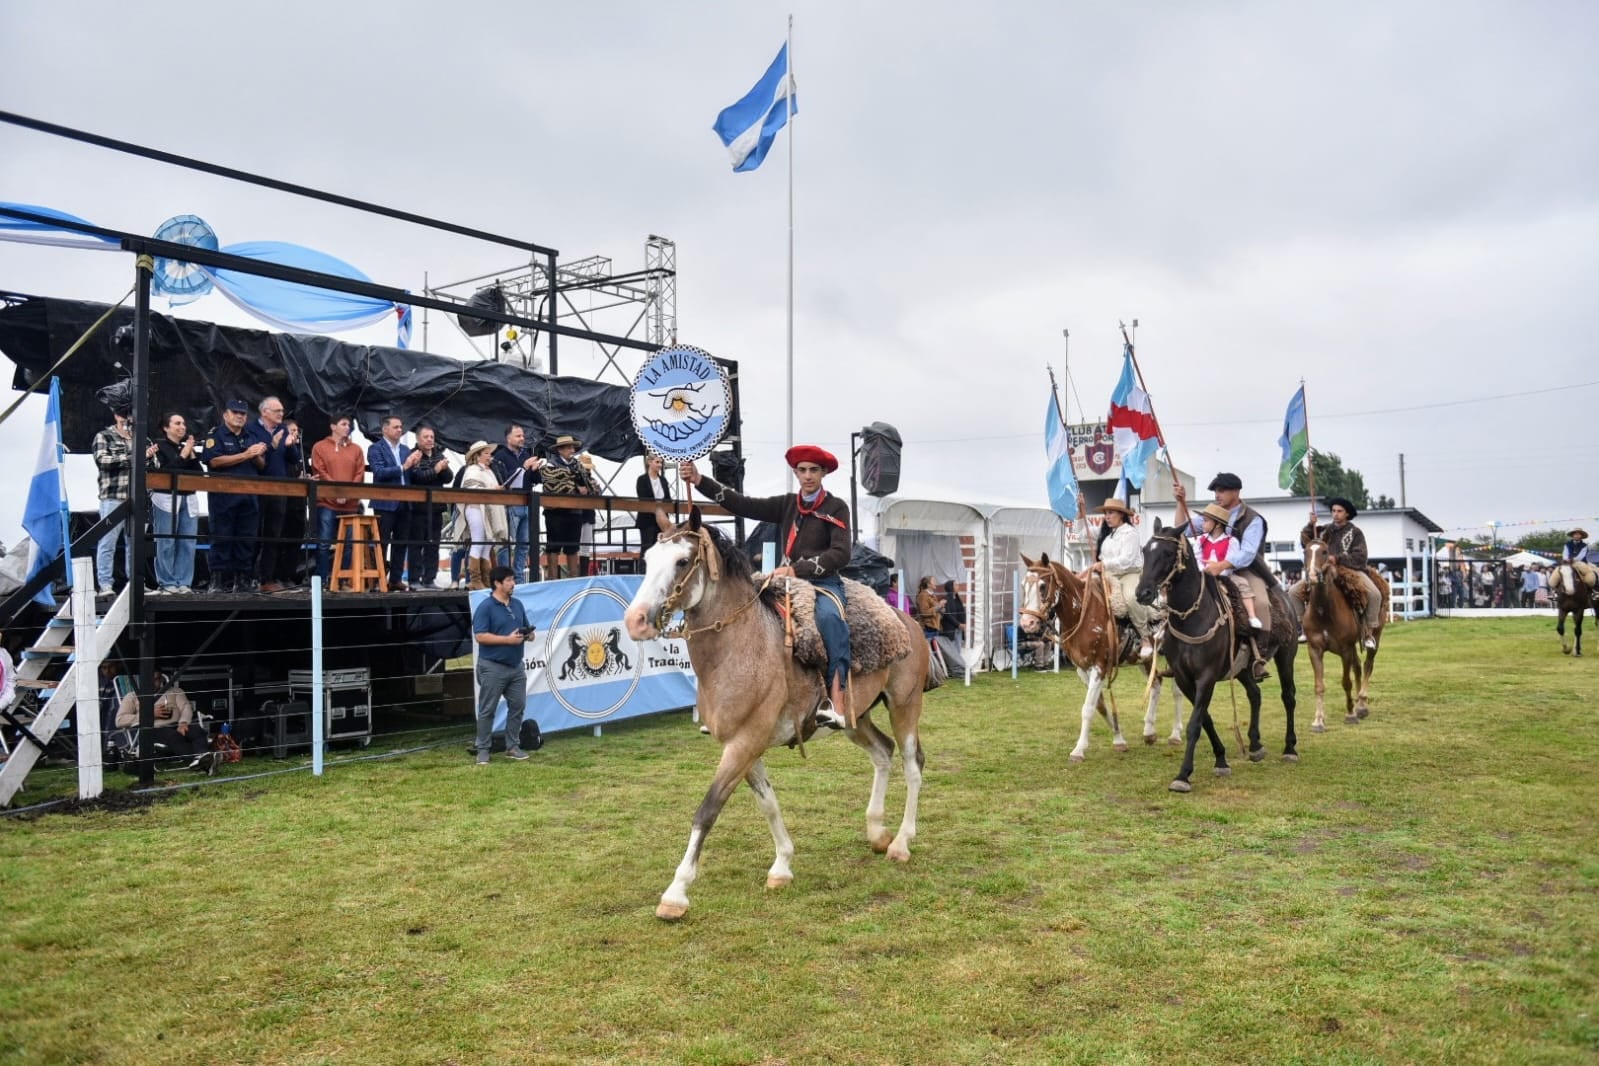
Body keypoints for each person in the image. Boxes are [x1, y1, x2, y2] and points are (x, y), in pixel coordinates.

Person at [680, 444, 855, 728]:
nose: (808, 475)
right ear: (796, 473)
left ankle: (837, 701)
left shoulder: (837, 507)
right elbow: (742, 504)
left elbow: (841, 553)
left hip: (823, 582)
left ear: (823, 473)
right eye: (802, 470)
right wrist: (700, 481)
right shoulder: (786, 504)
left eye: (813, 470)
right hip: (784, 582)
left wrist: (798, 568)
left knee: (830, 620)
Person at [1173, 473, 1280, 633]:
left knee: (1261, 604)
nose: (1217, 495)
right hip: (1209, 568)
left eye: (1222, 490)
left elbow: (1248, 553)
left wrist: (1221, 565)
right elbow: (1182, 529)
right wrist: (1180, 503)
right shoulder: (1213, 515)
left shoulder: (1254, 519)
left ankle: (1260, 649)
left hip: (1246, 571)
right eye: (1215, 491)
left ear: (1236, 492)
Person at [1289, 496, 1381, 649]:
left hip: (1350, 570)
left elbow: (1360, 556)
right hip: (1323, 571)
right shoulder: (1324, 530)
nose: (1335, 514)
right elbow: (1307, 541)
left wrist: (1337, 558)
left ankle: (1369, 633)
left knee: (1375, 594)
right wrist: (1310, 525)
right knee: (1293, 592)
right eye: (1333, 511)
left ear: (1347, 514)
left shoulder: (1355, 533)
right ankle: (1303, 628)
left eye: (1339, 511)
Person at [198, 399, 267, 593]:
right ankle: (218, 580)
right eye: (235, 412)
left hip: (249, 495)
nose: (239, 416)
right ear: (225, 414)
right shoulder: (216, 435)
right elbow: (214, 461)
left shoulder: (251, 436)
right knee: (222, 536)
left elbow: (262, 467)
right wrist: (245, 455)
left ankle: (242, 579)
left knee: (247, 537)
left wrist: (256, 455)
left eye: (243, 413)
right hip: (224, 496)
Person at [472, 564, 537, 765]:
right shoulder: (486, 607)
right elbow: (480, 636)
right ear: (497, 583)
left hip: (515, 666)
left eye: (513, 580)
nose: (513, 584)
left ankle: (512, 746)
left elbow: (527, 629)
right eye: (508, 580)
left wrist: (528, 635)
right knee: (487, 709)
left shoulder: (517, 604)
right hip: (492, 666)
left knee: (518, 705)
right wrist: (507, 640)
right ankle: (482, 749)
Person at [244, 397, 303, 593]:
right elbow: (255, 457)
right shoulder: (252, 429)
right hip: (257, 489)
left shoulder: (283, 429)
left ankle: (266, 578)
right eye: (277, 411)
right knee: (253, 533)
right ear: (264, 412)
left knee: (273, 535)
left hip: (279, 490)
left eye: (282, 411)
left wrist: (290, 445)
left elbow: (294, 459)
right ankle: (246, 577)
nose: (281, 414)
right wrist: (272, 443)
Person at [1091, 496, 1157, 661]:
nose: (1107, 516)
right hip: (1108, 574)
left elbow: (1127, 560)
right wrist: (1080, 514)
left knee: (1131, 598)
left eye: (1110, 513)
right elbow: (1081, 532)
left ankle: (1145, 638)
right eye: (1105, 513)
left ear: (1121, 515)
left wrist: (1104, 563)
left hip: (1129, 573)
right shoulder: (1108, 536)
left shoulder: (1131, 533)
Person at [91, 404, 145, 594]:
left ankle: (135, 584)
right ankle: (105, 585)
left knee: (135, 545)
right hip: (113, 497)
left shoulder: (141, 437)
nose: (126, 418)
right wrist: (133, 457)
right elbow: (103, 461)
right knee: (107, 543)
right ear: (115, 416)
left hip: (138, 499)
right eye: (122, 415)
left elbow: (154, 464)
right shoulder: (104, 436)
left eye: (129, 415)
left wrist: (149, 457)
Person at [115, 671, 214, 773]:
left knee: (196, 730)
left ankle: (203, 755)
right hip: (154, 729)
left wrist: (183, 722)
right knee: (173, 735)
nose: (152, 683)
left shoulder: (176, 691)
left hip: (177, 725)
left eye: (156, 679)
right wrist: (149, 714)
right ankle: (198, 762)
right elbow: (120, 720)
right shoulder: (132, 696)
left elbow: (186, 707)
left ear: (161, 679)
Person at [148, 411, 202, 594]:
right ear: (166, 427)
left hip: (188, 497)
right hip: (166, 498)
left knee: (187, 541)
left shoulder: (185, 447)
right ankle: (167, 581)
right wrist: (183, 455)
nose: (182, 427)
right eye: (177, 423)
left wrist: (191, 454)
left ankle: (184, 581)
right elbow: (164, 472)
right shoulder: (159, 446)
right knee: (166, 541)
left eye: (184, 424)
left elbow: (199, 474)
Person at [309, 414, 366, 584]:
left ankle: (342, 579)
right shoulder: (319, 447)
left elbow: (359, 473)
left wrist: (347, 493)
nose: (347, 427)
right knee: (324, 542)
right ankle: (322, 579)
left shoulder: (357, 449)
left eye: (349, 424)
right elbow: (319, 471)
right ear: (333, 427)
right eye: (343, 424)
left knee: (349, 543)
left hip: (350, 503)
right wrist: (337, 492)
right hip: (326, 502)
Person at [368, 415, 419, 591]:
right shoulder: (375, 448)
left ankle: (395, 579)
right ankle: (378, 579)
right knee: (381, 542)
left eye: (401, 427)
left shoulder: (406, 450)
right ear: (385, 429)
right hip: (384, 502)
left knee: (401, 542)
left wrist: (415, 465)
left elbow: (411, 475)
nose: (400, 430)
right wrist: (403, 467)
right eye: (396, 427)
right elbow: (379, 472)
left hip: (405, 502)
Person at [449, 441, 508, 590]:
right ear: (478, 456)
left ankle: (484, 578)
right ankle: (475, 580)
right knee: (478, 542)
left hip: (485, 509)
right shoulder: (472, 470)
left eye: (489, 453)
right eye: (486, 453)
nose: (490, 456)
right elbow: (472, 488)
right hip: (476, 508)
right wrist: (494, 489)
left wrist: (495, 489)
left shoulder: (488, 471)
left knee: (486, 544)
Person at [540, 434, 600, 581]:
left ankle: (573, 578)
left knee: (573, 545)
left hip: (574, 511)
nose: (572, 450)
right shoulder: (550, 464)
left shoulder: (577, 465)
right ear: (560, 450)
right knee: (553, 545)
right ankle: (553, 578)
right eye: (569, 447)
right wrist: (577, 486)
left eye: (572, 447)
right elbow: (551, 483)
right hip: (555, 512)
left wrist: (583, 487)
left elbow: (591, 484)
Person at [489, 424, 543, 579]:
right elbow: (503, 480)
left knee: (524, 544)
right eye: (518, 436)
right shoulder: (500, 456)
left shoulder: (526, 454)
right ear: (508, 438)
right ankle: (505, 577)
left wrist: (535, 469)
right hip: (510, 504)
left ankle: (518, 577)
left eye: (522, 436)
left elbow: (536, 480)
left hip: (527, 502)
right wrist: (523, 467)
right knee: (506, 543)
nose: (522, 439)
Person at [1198, 502, 1263, 630]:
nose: (1202, 524)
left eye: (1206, 521)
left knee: (1243, 583)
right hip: (1203, 575)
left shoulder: (1231, 541)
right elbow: (1197, 558)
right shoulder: (1200, 540)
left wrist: (1219, 570)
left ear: (1217, 525)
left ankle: (1251, 615)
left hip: (1225, 576)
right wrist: (1203, 570)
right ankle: (1167, 620)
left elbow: (1231, 560)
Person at [406, 426, 453, 590]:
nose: (429, 440)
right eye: (426, 437)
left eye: (432, 437)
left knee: (433, 545)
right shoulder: (414, 455)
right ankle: (413, 579)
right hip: (418, 508)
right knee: (416, 545)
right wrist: (436, 469)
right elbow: (418, 477)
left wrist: (444, 468)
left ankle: (429, 578)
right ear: (418, 439)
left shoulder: (439, 454)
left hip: (437, 507)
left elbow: (448, 478)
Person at [634, 453, 673, 556]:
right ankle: (642, 571)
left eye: (661, 462)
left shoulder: (663, 480)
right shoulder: (642, 480)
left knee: (662, 548)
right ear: (649, 462)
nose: (660, 465)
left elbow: (668, 499)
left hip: (662, 520)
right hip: (647, 520)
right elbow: (643, 498)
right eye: (657, 462)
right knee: (647, 549)